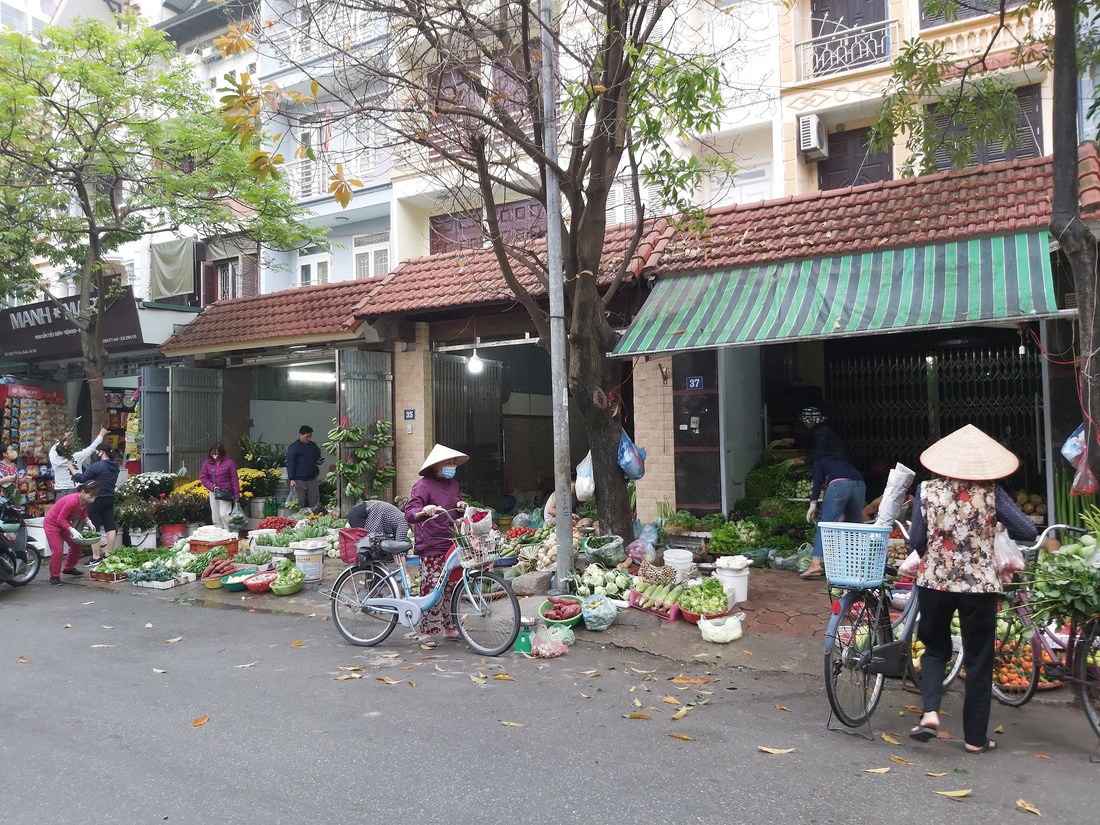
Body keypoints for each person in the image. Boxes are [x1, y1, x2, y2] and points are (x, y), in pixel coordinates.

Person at [906, 424, 1036, 754]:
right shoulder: (992, 493)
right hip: (979, 587)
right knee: (978, 659)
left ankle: (931, 712)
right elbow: (1027, 529)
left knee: (935, 649)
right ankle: (976, 739)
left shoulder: (925, 491)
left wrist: (936, 560)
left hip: (934, 582)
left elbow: (917, 541)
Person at [404, 444, 469, 648]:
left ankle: (450, 628)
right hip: (431, 543)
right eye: (448, 463)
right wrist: (424, 510)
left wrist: (460, 506)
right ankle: (425, 632)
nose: (452, 466)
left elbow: (455, 507)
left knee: (452, 587)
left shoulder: (454, 484)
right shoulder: (422, 486)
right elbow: (410, 512)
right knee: (432, 588)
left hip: (451, 541)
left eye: (453, 463)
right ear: (436, 466)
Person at [800, 456, 866, 578]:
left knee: (825, 525)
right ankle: (855, 566)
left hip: (839, 485)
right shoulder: (841, 463)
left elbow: (818, 481)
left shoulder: (817, 463)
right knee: (854, 526)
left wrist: (813, 502)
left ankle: (816, 564)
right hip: (860, 485)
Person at [43, 480, 100, 585]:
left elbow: (82, 511)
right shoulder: (72, 501)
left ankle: (69, 567)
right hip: (52, 523)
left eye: (94, 496)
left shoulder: (85, 501)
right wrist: (72, 530)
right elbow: (60, 519)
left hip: (64, 523)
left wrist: (88, 521)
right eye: (90, 495)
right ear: (83, 492)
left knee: (76, 544)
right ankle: (54, 577)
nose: (92, 498)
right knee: (58, 550)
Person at [72, 444, 120, 564]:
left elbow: (82, 478)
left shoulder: (98, 466)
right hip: (110, 497)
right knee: (110, 526)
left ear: (102, 452)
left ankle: (96, 557)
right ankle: (109, 553)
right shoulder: (116, 466)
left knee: (94, 527)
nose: (96, 454)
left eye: (97, 451)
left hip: (96, 498)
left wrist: (71, 468)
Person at [780, 406, 848, 468]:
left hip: (837, 462)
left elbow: (820, 453)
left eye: (806, 422)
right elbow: (808, 440)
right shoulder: (817, 430)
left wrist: (803, 462)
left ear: (812, 421)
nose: (805, 424)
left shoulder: (821, 434)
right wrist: (793, 441)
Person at [49, 427, 108, 498]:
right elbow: (92, 448)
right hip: (74, 491)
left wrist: (63, 439)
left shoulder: (53, 458)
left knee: (61, 509)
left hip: (60, 492)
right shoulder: (76, 457)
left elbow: (55, 447)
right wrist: (101, 434)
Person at [200, 442, 240, 531]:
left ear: (222, 453)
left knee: (224, 514)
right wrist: (212, 487)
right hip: (214, 492)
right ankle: (220, 536)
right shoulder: (207, 463)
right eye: (213, 453)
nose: (215, 456)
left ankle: (230, 533)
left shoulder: (230, 463)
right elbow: (203, 477)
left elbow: (234, 479)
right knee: (216, 516)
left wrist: (236, 494)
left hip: (226, 492)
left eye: (217, 453)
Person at [286, 425, 323, 510]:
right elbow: (290, 463)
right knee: (299, 502)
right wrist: (291, 479)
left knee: (315, 502)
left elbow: (317, 457)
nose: (309, 438)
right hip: (299, 479)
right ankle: (299, 519)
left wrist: (319, 461)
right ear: (301, 435)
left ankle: (316, 516)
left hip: (312, 477)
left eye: (310, 436)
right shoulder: (293, 447)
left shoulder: (313, 446)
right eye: (307, 436)